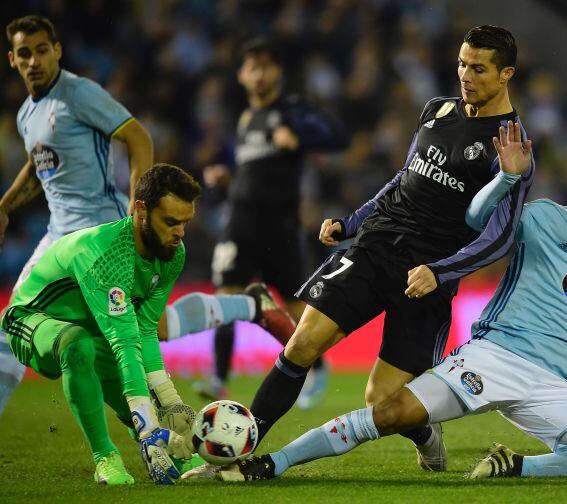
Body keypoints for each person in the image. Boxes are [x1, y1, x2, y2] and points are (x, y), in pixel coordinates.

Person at [184, 162, 567, 482]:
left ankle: (516, 468)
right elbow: (478, 218)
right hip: (489, 356)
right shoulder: (544, 218)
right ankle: (269, 464)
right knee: (388, 412)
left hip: (551, 385)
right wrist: (505, 180)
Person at [235, 25, 535, 472]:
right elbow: (404, 179)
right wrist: (351, 223)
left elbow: (501, 235)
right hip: (376, 244)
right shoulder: (438, 109)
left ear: (506, 73)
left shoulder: (510, 146)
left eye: (478, 68)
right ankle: (236, 450)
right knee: (303, 344)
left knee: (381, 400)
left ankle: (424, 431)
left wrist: (442, 271)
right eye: (461, 63)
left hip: (426, 274)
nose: (465, 75)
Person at [0, 15, 268, 417]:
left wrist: (137, 203)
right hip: (59, 237)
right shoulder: (26, 114)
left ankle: (248, 306)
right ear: (12, 59)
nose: (34, 60)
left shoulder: (78, 93)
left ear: (57, 51)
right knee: (13, 327)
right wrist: (4, 206)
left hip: (100, 229)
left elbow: (137, 134)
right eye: (25, 53)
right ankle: (249, 306)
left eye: (41, 50)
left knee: (149, 329)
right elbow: (41, 166)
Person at [1, 164, 205, 485]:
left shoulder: (170, 253)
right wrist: (148, 425)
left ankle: (162, 445)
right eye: (170, 222)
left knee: (131, 396)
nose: (179, 233)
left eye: (185, 223)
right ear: (141, 210)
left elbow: (145, 329)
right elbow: (125, 345)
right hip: (31, 320)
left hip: (96, 330)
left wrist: (170, 401)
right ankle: (105, 458)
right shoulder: (105, 255)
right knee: (77, 343)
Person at [195, 37, 349, 407]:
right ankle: (218, 379)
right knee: (226, 296)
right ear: (242, 76)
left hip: (279, 226)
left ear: (277, 71)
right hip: (240, 223)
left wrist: (300, 137)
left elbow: (339, 137)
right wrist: (227, 181)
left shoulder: (292, 110)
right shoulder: (246, 120)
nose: (259, 75)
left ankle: (317, 364)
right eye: (252, 68)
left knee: (296, 308)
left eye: (266, 66)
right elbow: (256, 171)